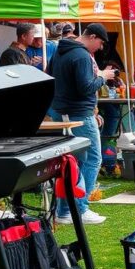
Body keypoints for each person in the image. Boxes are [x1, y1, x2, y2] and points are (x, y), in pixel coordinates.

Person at [48, 23, 115, 225]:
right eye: (101, 42)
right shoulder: (82, 56)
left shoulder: (60, 51)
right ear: (92, 37)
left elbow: (49, 78)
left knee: (71, 162)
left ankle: (65, 211)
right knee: (92, 159)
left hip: (63, 112)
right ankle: (80, 208)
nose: (101, 48)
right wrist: (102, 76)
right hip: (79, 114)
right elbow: (86, 87)